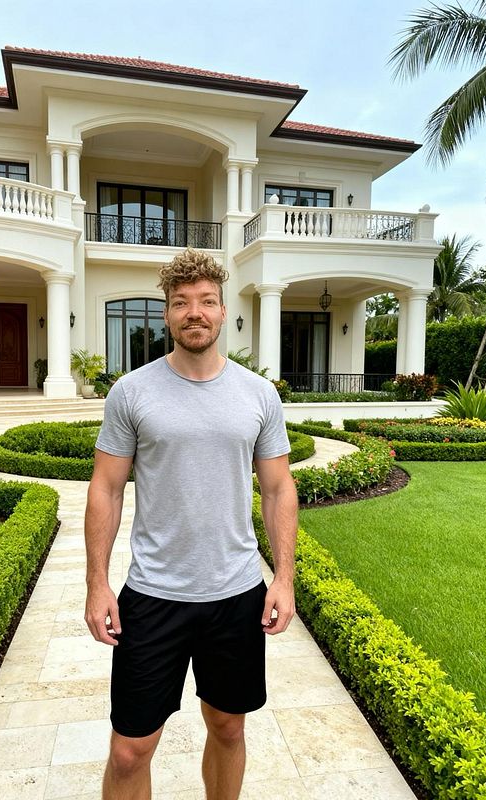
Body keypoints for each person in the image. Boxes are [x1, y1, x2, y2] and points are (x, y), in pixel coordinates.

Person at [84, 248, 298, 800]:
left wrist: (284, 578)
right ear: (167, 314)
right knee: (130, 749)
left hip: (236, 594)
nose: (194, 312)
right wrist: (97, 584)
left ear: (224, 312)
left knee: (228, 726)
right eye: (181, 303)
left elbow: (277, 488)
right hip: (154, 594)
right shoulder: (131, 392)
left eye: (206, 301)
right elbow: (105, 488)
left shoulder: (258, 394)